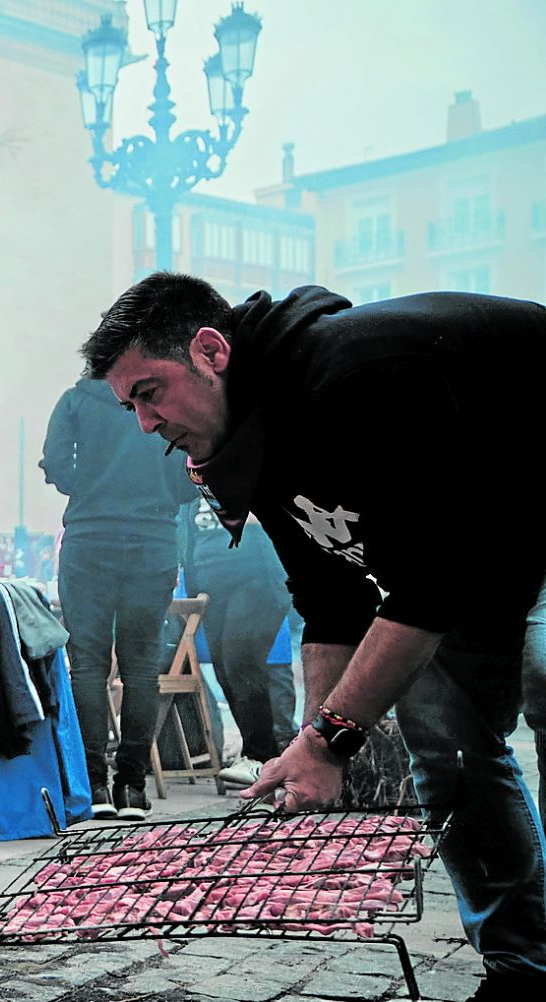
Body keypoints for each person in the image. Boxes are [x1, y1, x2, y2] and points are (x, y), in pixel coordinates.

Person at [82, 271, 546, 998]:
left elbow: (430, 587)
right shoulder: (253, 439)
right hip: (485, 547)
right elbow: (331, 601)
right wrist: (313, 746)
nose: (144, 424)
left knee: (545, 683)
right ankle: (522, 966)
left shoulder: (349, 378)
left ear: (210, 351)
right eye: (129, 405)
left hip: (524, 505)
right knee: (443, 730)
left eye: (149, 392)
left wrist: (331, 737)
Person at [40, 376, 194, 821]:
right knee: (141, 666)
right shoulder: (160, 396)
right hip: (153, 540)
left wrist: (89, 486)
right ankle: (132, 787)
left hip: (90, 539)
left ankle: (94, 787)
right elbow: (188, 474)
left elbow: (54, 463)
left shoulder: (75, 400)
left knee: (87, 665)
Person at [179, 502, 295, 789]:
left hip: (256, 571)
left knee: (241, 661)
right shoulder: (194, 468)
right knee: (225, 671)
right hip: (209, 576)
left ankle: (261, 757)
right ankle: (259, 756)